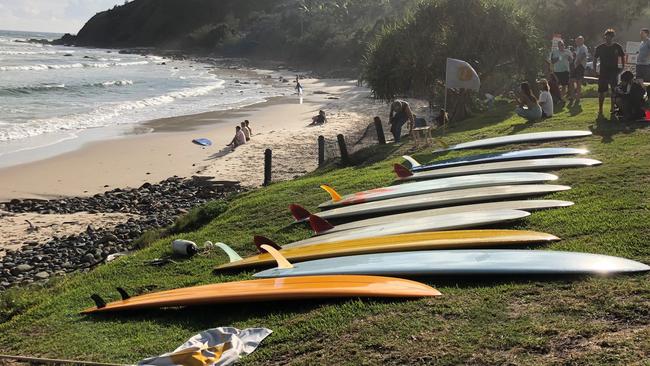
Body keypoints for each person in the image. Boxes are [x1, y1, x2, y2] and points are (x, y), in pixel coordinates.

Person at [593, 29, 626, 117]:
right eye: (607, 36)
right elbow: (595, 58)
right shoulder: (600, 47)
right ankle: (600, 109)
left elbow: (623, 56)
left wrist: (622, 67)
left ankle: (613, 108)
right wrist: (594, 69)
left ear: (613, 37)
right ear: (605, 36)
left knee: (614, 90)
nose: (608, 38)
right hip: (603, 72)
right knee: (601, 92)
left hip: (613, 72)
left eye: (610, 36)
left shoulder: (617, 46)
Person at [570, 36, 589, 104]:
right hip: (576, 66)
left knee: (578, 82)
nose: (576, 42)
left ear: (582, 41)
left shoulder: (584, 47)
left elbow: (584, 55)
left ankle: (578, 98)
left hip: (580, 66)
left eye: (578, 41)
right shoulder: (578, 48)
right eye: (576, 41)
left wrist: (578, 63)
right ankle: (572, 96)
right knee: (571, 81)